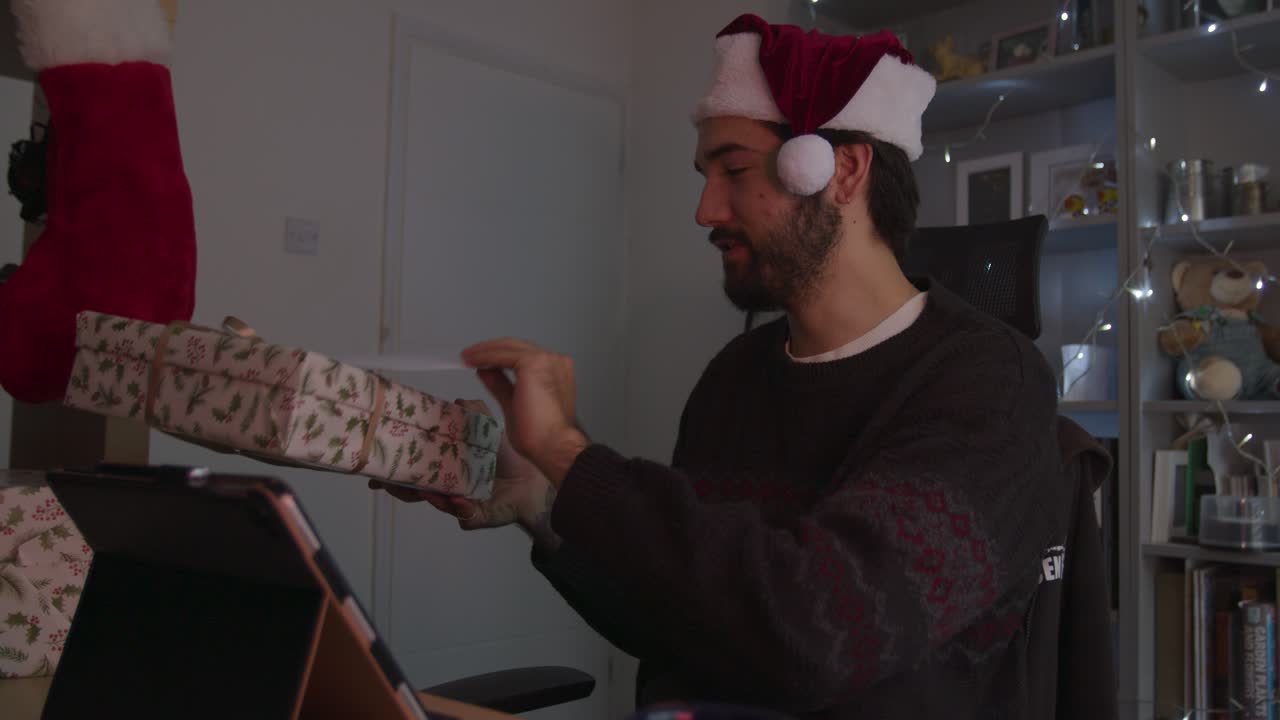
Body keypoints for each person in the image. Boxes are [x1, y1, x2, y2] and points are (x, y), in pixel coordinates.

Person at [374, 14, 1073, 718]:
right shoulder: (735, 377)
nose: (706, 209)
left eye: (735, 169)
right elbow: (679, 618)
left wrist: (568, 451)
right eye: (706, 175)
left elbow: (825, 628)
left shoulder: (988, 383)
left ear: (845, 171)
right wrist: (538, 496)